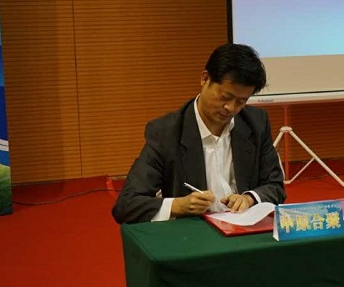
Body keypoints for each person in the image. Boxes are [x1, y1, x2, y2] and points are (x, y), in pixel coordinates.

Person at [112, 44, 286, 224]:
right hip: (194, 233)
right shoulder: (165, 133)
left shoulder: (256, 123)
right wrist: (178, 206)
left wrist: (249, 198)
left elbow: (275, 186)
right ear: (205, 79)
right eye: (225, 97)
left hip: (245, 231)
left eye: (241, 101)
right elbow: (126, 205)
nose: (231, 108)